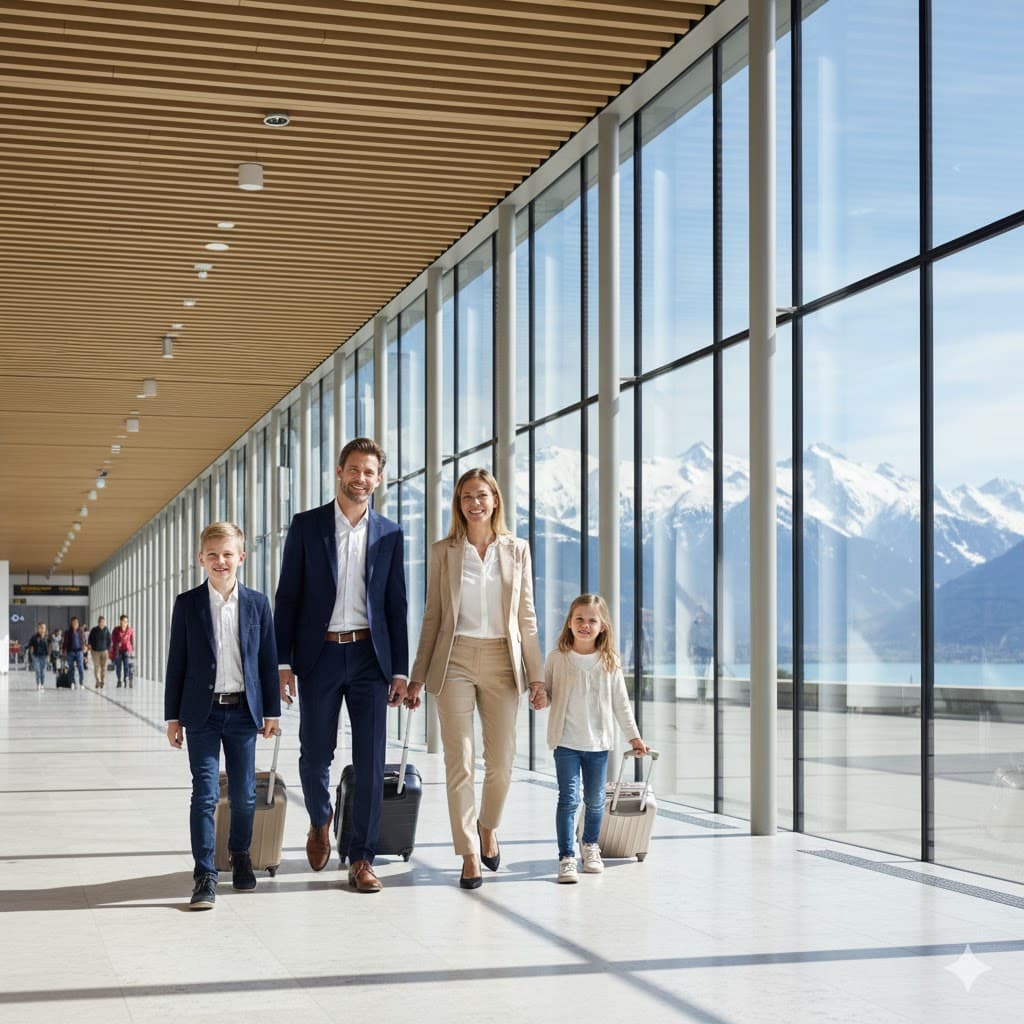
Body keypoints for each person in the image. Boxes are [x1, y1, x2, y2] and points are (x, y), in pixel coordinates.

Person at [274, 437, 408, 894]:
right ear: (339, 472)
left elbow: (396, 605)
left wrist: (401, 670)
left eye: (369, 472)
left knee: (371, 761)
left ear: (378, 478)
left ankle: (361, 856)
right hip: (320, 655)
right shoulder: (307, 526)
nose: (361, 478)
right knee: (315, 755)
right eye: (354, 469)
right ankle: (319, 818)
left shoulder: (390, 533)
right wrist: (283, 661)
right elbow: (287, 596)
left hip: (372, 657)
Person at [406, 467, 544, 890]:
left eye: (482, 495)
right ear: (458, 503)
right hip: (455, 660)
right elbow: (432, 617)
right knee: (459, 761)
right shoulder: (444, 551)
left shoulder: (516, 549)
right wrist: (416, 677)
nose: (475, 503)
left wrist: (537, 678)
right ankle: (468, 853)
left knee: (501, 764)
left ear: (495, 500)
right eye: (467, 496)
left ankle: (488, 825)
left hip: (504, 659)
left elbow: (526, 617)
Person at [164, 521, 280, 910]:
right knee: (205, 794)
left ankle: (240, 855)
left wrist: (272, 712)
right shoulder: (187, 603)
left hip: (245, 713)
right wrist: (172, 717)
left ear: (241, 558)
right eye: (212, 555)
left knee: (245, 795)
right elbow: (176, 663)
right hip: (202, 713)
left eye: (228, 554)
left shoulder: (258, 604)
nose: (220, 561)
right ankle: (205, 875)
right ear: (201, 559)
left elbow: (266, 662)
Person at [542, 593, 648, 884]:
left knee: (596, 800)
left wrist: (634, 738)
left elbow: (621, 704)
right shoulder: (556, 658)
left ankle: (590, 847)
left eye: (592, 620)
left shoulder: (609, 661)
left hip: (598, 744)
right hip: (565, 742)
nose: (585, 625)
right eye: (579, 619)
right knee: (568, 799)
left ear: (603, 627)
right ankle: (566, 857)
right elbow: (547, 694)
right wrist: (540, 699)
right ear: (569, 623)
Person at [110, 613, 135, 687]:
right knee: (118, 667)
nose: (125, 623)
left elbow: (132, 641)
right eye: (123, 621)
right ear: (120, 621)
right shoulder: (116, 630)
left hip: (127, 651)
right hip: (118, 651)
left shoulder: (130, 630)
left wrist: (132, 651)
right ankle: (119, 680)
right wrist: (117, 645)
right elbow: (113, 640)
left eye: (126, 621)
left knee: (126, 666)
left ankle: (125, 679)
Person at [61, 616, 86, 689]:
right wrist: (63, 651)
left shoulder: (80, 631)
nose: (75, 624)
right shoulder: (67, 632)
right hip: (70, 652)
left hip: (79, 651)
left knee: (81, 667)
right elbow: (64, 642)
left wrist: (84, 647)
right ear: (71, 624)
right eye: (73, 623)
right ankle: (72, 682)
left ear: (78, 624)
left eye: (76, 623)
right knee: (71, 668)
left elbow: (83, 640)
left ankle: (81, 683)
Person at [88, 616, 111, 688]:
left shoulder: (106, 630)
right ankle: (98, 681)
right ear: (98, 622)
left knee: (104, 667)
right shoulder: (94, 630)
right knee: (97, 667)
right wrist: (89, 646)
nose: (102, 623)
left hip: (104, 651)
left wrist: (108, 649)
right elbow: (90, 639)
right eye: (101, 622)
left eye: (103, 622)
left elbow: (109, 640)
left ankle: (102, 681)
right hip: (95, 651)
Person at [27, 622, 49, 690]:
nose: (42, 629)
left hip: (44, 656)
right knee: (37, 671)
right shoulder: (34, 637)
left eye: (43, 628)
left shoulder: (47, 637)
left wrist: (49, 656)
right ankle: (38, 684)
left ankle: (42, 684)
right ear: (38, 629)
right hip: (36, 656)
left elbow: (50, 647)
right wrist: (31, 655)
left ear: (45, 629)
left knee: (43, 671)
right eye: (40, 628)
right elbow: (30, 646)